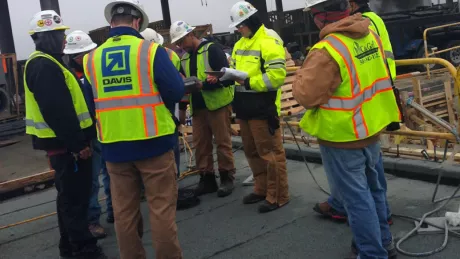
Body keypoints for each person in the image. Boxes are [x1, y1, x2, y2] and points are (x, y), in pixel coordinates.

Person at [293, 0, 401, 258]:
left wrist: (301, 74)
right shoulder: (369, 34)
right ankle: (383, 242)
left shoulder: (327, 49)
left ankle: (372, 253)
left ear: (319, 16)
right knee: (374, 189)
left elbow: (306, 95)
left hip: (343, 135)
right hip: (371, 128)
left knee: (356, 200)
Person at [82, 0, 184, 258]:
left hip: (114, 148)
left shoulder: (90, 59)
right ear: (137, 22)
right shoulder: (149, 51)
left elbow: (90, 103)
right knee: (161, 210)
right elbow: (176, 90)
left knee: (124, 212)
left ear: (111, 24)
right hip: (154, 143)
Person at [24, 10, 106, 259]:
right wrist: (78, 144)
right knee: (75, 201)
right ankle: (82, 248)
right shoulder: (44, 66)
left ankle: (70, 247)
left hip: (64, 146)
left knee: (70, 200)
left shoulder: (47, 64)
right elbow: (58, 111)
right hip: (66, 147)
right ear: (47, 37)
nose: (64, 39)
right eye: (60, 34)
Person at [313, 0, 395, 225]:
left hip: (354, 119)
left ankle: (371, 245)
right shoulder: (368, 28)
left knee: (359, 189)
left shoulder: (333, 44)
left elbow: (309, 94)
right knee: (373, 180)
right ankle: (382, 226)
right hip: (374, 105)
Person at [227, 1, 290, 213]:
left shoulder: (269, 40)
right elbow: (235, 71)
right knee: (252, 151)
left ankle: (278, 195)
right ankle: (261, 188)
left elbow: (276, 76)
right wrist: (224, 77)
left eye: (240, 25)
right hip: (244, 108)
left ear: (250, 21)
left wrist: (249, 82)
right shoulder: (240, 44)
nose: (238, 30)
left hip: (263, 107)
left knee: (270, 153)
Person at [170, 20, 236, 197]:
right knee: (201, 144)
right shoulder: (184, 58)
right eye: (177, 43)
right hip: (198, 107)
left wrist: (207, 84)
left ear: (190, 35)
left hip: (218, 105)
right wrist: (183, 108)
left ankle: (227, 177)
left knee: (222, 143)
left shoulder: (212, 50)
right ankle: (207, 179)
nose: (180, 46)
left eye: (181, 41)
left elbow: (228, 77)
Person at [63, 30, 114, 240]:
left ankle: (115, 211)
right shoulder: (71, 79)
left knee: (112, 173)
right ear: (77, 58)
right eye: (87, 53)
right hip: (89, 136)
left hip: (104, 130)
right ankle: (92, 221)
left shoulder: (92, 74)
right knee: (92, 181)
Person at [141, 28, 182, 177]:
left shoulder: (170, 55)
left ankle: (172, 175)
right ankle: (172, 175)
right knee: (169, 141)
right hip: (161, 106)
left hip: (155, 107)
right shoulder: (168, 55)